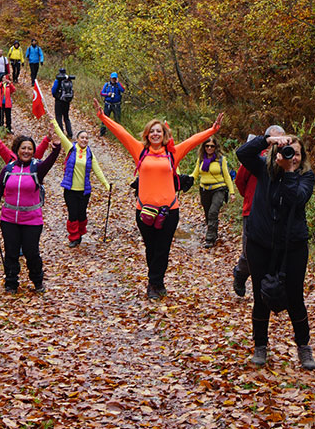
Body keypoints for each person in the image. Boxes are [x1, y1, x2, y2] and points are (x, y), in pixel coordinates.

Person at [95, 104, 223, 298]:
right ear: (147, 135)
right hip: (144, 211)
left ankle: (154, 284)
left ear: (164, 135)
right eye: (152, 131)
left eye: (159, 131)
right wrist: (103, 117)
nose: (155, 134)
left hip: (169, 211)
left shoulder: (173, 153)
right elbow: (121, 133)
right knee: (151, 248)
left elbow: (193, 141)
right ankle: (156, 282)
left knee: (163, 248)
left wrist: (213, 130)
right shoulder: (140, 150)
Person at [235, 131, 315, 370]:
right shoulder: (263, 168)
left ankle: (304, 347)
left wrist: (289, 171)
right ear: (276, 152)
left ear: (302, 157)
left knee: (295, 298)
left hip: (293, 247)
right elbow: (242, 153)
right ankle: (260, 346)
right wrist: (267, 139)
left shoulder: (305, 177)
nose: (292, 157)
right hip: (260, 243)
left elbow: (296, 199)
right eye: (288, 152)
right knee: (261, 297)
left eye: (297, 154)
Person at [0, 130, 61, 293]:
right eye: (23, 148)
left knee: (31, 253)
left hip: (32, 220)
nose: (26, 151)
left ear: (33, 151)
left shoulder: (37, 168)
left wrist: (57, 148)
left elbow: (50, 161)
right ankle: (11, 283)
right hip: (9, 219)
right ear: (17, 150)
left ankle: (38, 281)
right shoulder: (8, 169)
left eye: (30, 148)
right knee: (11, 252)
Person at [233, 126, 285, 296]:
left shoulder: (286, 161)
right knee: (250, 253)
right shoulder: (257, 161)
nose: (278, 143)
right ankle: (240, 274)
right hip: (252, 211)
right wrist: (250, 198)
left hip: (274, 215)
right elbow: (240, 180)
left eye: (281, 139)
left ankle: (267, 289)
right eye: (274, 139)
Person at [51, 118, 110, 246]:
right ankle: (74, 238)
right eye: (82, 137)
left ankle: (80, 232)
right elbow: (61, 134)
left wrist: (106, 184)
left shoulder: (89, 154)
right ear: (77, 139)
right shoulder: (70, 148)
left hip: (84, 191)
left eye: (86, 138)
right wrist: (54, 121)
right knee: (73, 214)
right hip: (70, 190)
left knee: (81, 215)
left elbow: (97, 170)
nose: (84, 140)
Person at [191, 135, 236, 248]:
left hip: (219, 189)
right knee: (208, 213)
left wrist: (232, 192)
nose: (209, 148)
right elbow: (195, 174)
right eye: (207, 146)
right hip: (204, 189)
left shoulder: (221, 160)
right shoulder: (201, 160)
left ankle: (210, 239)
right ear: (204, 147)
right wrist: (183, 181)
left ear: (215, 147)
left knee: (213, 212)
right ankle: (213, 232)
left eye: (212, 146)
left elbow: (227, 177)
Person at [51, 68, 75, 139]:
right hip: (67, 101)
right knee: (66, 117)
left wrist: (55, 95)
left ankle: (60, 133)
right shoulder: (68, 79)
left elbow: (53, 90)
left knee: (58, 116)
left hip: (59, 100)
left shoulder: (58, 80)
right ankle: (70, 133)